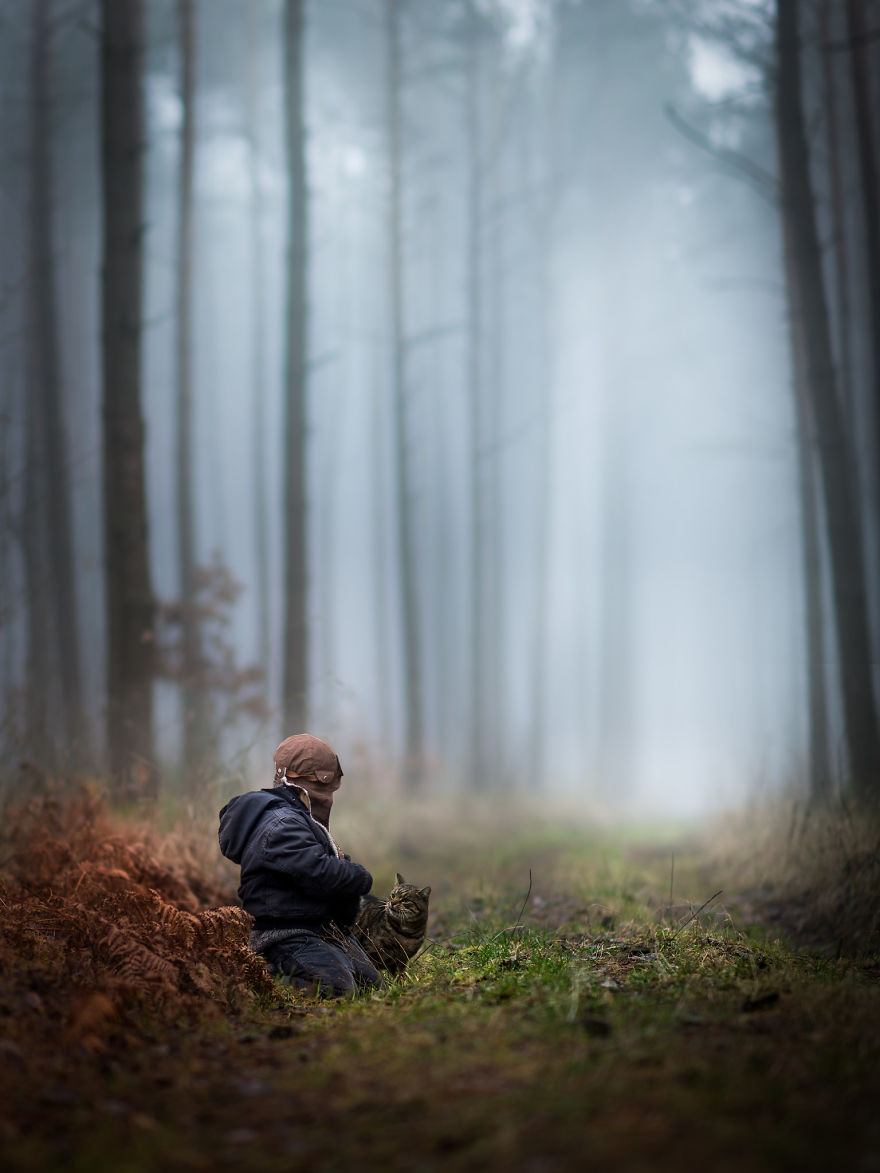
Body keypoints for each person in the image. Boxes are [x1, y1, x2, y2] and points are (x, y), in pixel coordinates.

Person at [218, 733, 382, 997]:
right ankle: (265, 977)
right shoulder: (281, 823)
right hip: (287, 933)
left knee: (372, 988)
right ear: (294, 781)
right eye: (321, 784)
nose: (327, 795)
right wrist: (360, 876)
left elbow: (314, 862)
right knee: (338, 989)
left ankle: (309, 966)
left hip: (322, 928)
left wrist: (343, 869)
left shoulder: (295, 816)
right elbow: (318, 872)